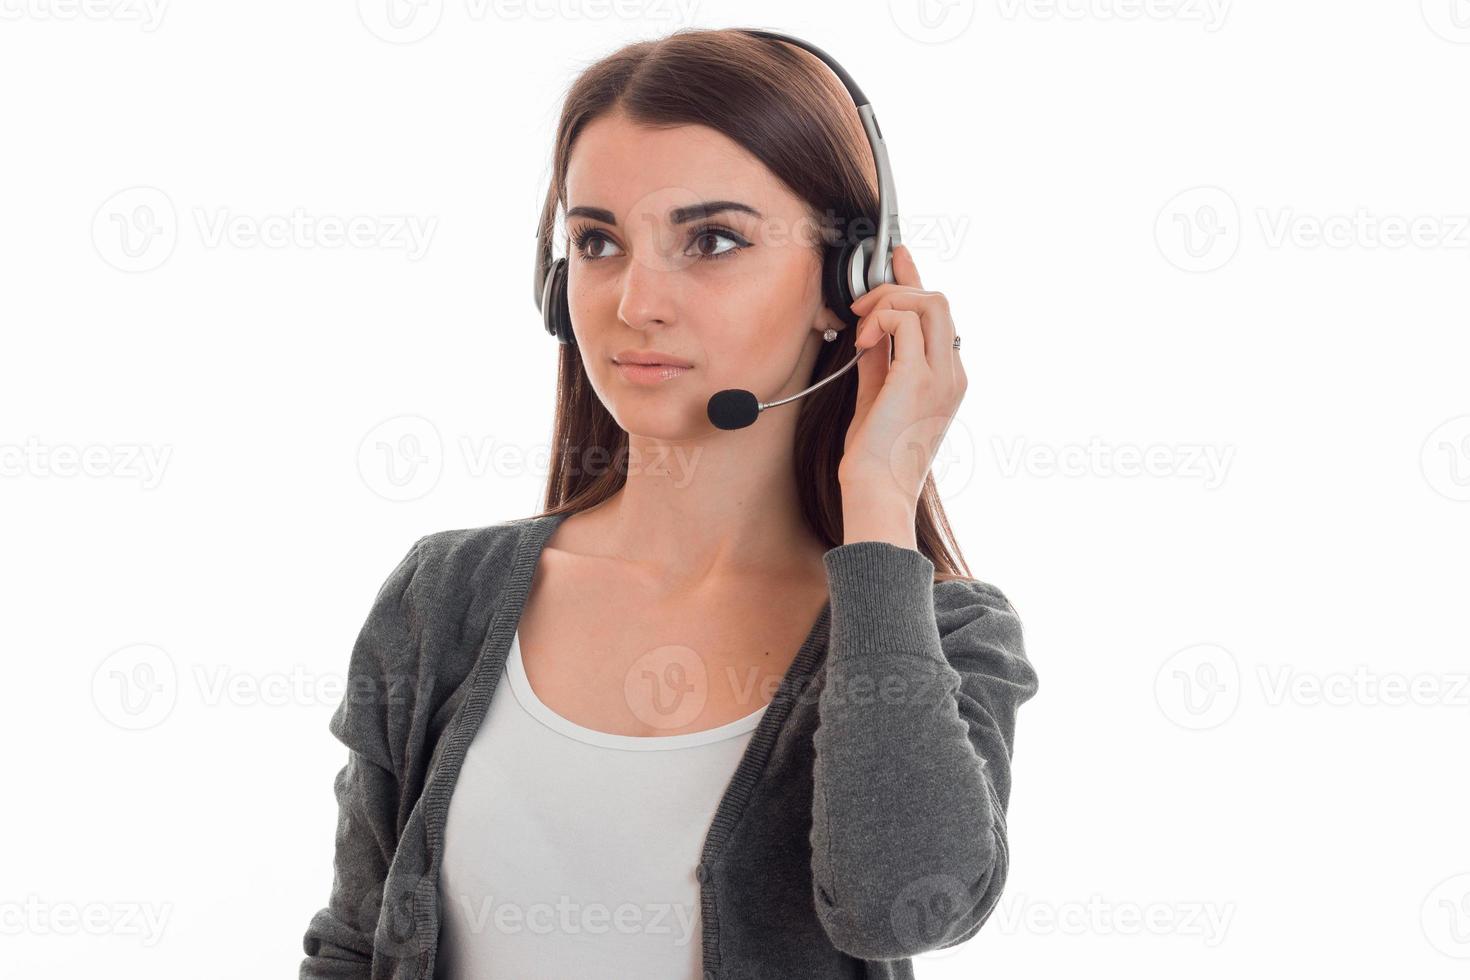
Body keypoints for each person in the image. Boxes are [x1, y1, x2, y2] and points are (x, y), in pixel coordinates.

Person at [300, 27, 1038, 980]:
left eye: (713, 240)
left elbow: (895, 906)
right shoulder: (443, 597)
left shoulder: (943, 634)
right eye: (598, 241)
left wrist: (880, 492)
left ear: (849, 283)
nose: (635, 301)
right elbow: (353, 949)